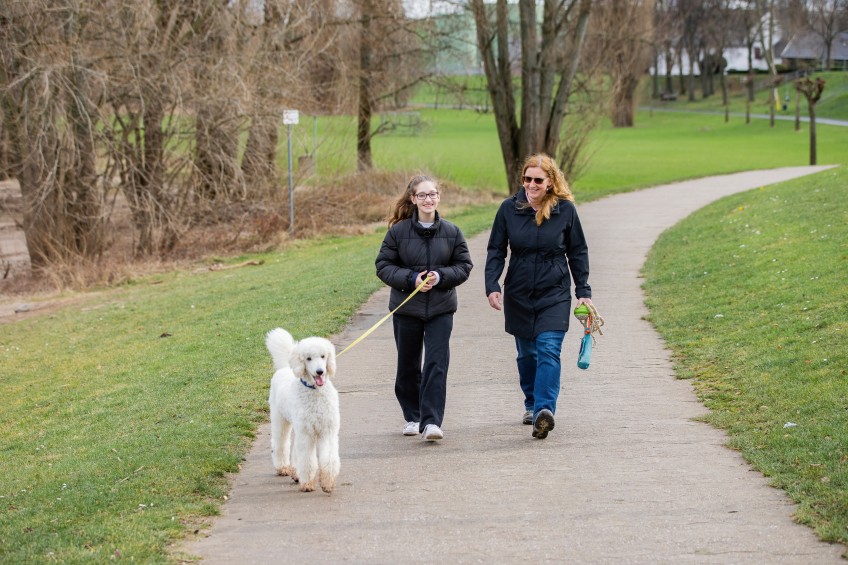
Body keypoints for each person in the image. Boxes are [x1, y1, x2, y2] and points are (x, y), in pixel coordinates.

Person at [484, 153, 593, 440]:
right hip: (518, 292)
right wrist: (491, 285)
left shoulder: (566, 211)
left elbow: (578, 251)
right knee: (527, 355)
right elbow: (496, 250)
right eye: (527, 179)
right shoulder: (509, 209)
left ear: (550, 182)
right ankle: (531, 402)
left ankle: (544, 411)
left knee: (547, 349)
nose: (531, 184)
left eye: (538, 180)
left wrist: (583, 291)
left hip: (554, 291)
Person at [375, 175, 473, 441]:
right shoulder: (398, 232)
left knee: (436, 363)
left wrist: (440, 277)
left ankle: (431, 422)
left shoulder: (452, 232)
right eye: (422, 195)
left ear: (439, 197)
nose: (428, 199)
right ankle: (413, 416)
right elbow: (383, 266)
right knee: (407, 365)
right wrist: (412, 279)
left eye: (433, 194)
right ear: (413, 199)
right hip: (407, 308)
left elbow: (464, 266)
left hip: (441, 309)